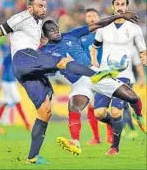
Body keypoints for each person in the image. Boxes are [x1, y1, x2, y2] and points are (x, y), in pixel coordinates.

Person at [0, 0, 139, 164]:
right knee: (64, 65)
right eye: (39, 6)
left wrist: (119, 16)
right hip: (25, 58)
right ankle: (95, 78)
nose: (43, 9)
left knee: (45, 110)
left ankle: (32, 157)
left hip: (29, 69)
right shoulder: (21, 19)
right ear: (30, 7)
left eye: (44, 6)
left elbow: (95, 25)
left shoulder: (50, 29)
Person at [40, 17, 145, 156]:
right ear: (45, 36)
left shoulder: (71, 35)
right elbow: (40, 68)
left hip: (95, 74)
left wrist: (120, 16)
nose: (56, 31)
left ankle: (138, 115)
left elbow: (96, 24)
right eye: (51, 30)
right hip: (78, 82)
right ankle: (75, 142)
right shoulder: (45, 50)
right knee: (74, 107)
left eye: (56, 27)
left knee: (132, 97)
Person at [90, 0, 147, 155]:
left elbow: (143, 49)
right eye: (117, 4)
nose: (120, 6)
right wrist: (94, 59)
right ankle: (117, 125)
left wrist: (144, 56)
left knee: (116, 112)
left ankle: (115, 147)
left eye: (123, 4)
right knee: (99, 113)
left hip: (124, 75)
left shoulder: (134, 29)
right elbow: (94, 46)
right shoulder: (103, 28)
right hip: (104, 75)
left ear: (127, 7)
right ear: (113, 7)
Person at [80, 8, 113, 145]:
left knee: (104, 106)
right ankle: (96, 137)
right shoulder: (82, 38)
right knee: (91, 106)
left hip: (105, 73)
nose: (92, 18)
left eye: (94, 15)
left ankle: (110, 135)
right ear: (86, 19)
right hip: (89, 75)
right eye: (89, 16)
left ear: (99, 18)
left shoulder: (105, 34)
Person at [0, 52, 31, 134]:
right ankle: (27, 124)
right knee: (14, 102)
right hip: (7, 82)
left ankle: (27, 124)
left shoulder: (15, 56)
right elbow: (1, 68)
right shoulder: (10, 55)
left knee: (11, 102)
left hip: (10, 82)